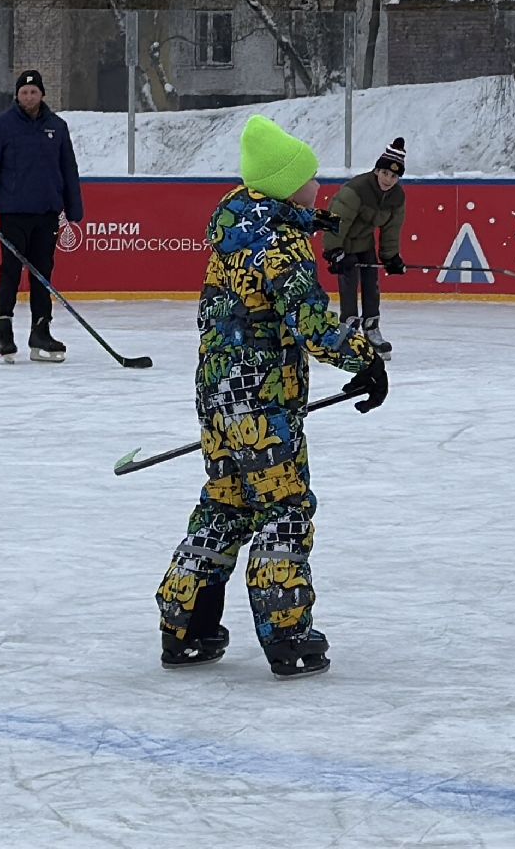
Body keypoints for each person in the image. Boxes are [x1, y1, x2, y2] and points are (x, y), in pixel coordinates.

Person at [154, 115, 389, 680]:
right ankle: (289, 637)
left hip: (216, 392)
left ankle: (185, 628)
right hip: (262, 397)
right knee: (285, 508)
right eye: (310, 179)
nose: (320, 187)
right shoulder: (281, 247)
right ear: (285, 184)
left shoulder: (235, 234)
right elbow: (313, 326)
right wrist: (366, 359)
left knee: (226, 503)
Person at [0, 69, 84, 363]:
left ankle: (40, 331)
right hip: (13, 212)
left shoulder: (57, 127)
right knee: (11, 270)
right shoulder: (1, 126)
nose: (29, 97)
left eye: (34, 92)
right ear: (17, 95)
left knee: (42, 274)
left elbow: (68, 170)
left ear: (42, 95)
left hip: (47, 213)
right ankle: (4, 328)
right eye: (24, 92)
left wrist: (74, 209)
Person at [322, 137, 408, 360]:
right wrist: (335, 252)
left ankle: (371, 328)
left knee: (372, 283)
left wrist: (391, 257)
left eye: (394, 176)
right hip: (344, 242)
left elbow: (391, 229)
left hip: (364, 244)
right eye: (385, 173)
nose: (388, 180)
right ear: (377, 170)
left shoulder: (397, 197)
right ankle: (348, 330)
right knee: (349, 283)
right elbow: (336, 220)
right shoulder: (357, 189)